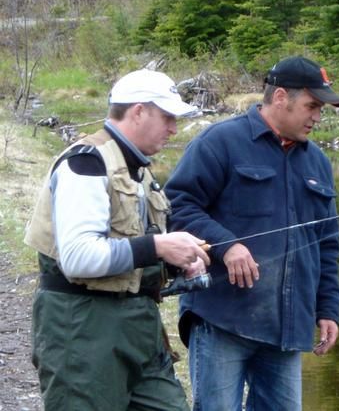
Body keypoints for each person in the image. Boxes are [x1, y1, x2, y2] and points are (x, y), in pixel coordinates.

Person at [164, 56, 339, 410]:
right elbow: (177, 207)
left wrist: (328, 308)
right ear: (280, 97)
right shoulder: (220, 141)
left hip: (288, 328)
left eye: (321, 109)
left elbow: (328, 246)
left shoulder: (318, 163)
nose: (317, 117)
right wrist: (225, 246)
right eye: (312, 106)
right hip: (222, 318)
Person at [24, 69, 211, 411]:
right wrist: (159, 247)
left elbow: (131, 252)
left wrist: (174, 261)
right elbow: (79, 257)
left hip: (139, 328)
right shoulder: (85, 164)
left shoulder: (137, 169)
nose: (174, 128)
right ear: (139, 112)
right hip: (81, 332)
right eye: (168, 117)